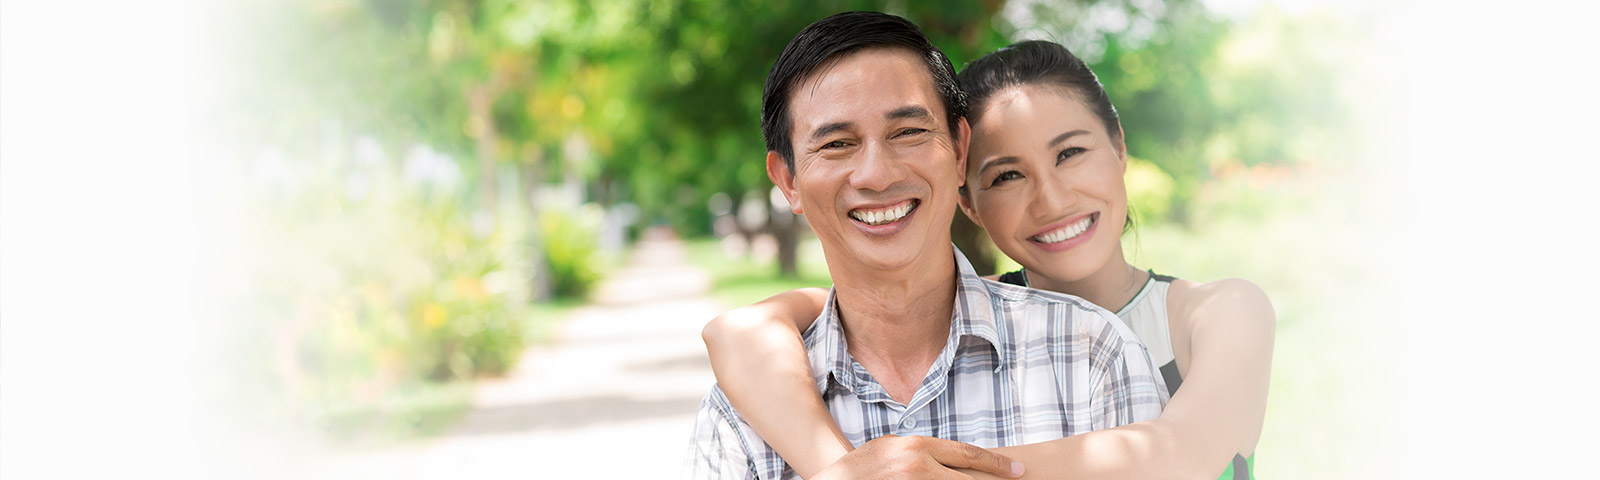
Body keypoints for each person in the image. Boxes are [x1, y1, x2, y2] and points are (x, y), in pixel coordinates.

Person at [701, 40, 1276, 479]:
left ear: (1119, 145)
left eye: (1071, 153)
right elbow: (745, 332)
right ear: (965, 196)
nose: (1051, 199)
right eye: (1006, 175)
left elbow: (1182, 451)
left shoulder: (1219, 310)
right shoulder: (963, 312)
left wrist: (932, 467)